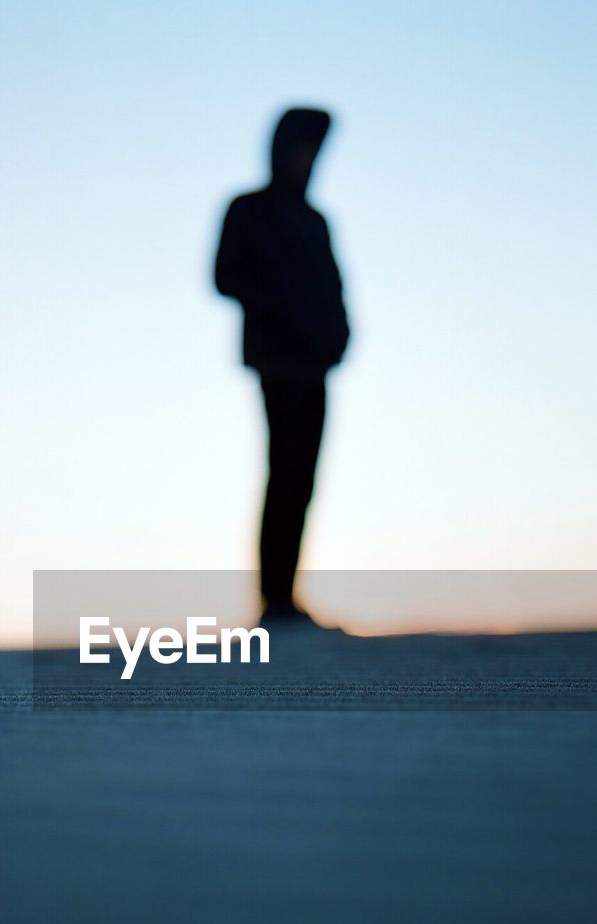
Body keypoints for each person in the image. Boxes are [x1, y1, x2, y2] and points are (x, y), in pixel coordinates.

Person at [214, 106, 350, 623]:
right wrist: (285, 310)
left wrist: (338, 335)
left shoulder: (315, 221)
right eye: (303, 147)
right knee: (284, 475)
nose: (309, 160)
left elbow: (334, 288)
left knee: (304, 480)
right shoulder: (249, 210)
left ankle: (286, 595)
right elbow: (226, 276)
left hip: (316, 366)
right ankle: (273, 598)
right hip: (277, 363)